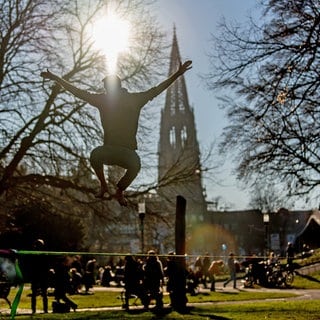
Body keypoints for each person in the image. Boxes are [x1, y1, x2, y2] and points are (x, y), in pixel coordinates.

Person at [40, 60, 192, 206]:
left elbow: (78, 92)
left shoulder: (108, 100)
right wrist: (177, 74)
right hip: (120, 152)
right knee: (128, 163)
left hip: (116, 151)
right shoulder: (130, 99)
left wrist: (56, 78)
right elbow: (157, 89)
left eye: (106, 87)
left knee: (106, 158)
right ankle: (111, 188)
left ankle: (112, 189)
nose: (105, 90)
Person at [30, 239, 49, 314]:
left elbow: (47, 265)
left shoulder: (44, 255)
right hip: (37, 276)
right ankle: (35, 310)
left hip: (41, 276)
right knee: (36, 294)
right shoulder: (34, 254)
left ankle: (44, 309)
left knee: (43, 293)